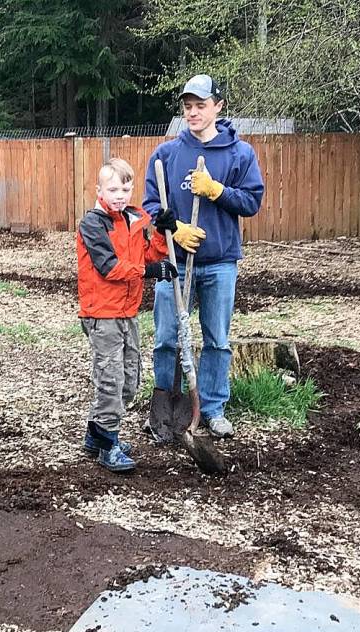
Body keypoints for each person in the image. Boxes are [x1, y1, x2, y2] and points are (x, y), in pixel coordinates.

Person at [143, 75, 265, 440]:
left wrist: (216, 190)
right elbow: (151, 205)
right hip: (175, 264)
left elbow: (251, 202)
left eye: (200, 105)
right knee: (166, 336)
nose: (193, 113)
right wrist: (174, 228)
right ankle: (166, 407)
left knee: (217, 340)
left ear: (218, 107)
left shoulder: (239, 154)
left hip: (221, 261)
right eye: (188, 106)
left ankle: (212, 408)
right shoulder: (167, 154)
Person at [77, 158, 178, 473]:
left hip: (127, 312)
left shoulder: (133, 219)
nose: (119, 194)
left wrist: (161, 233)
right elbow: (109, 267)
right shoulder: (93, 224)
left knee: (129, 380)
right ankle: (109, 445)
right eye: (112, 189)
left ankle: (95, 436)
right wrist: (150, 271)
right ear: (99, 190)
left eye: (125, 188)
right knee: (111, 379)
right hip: (102, 313)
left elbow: (148, 255)